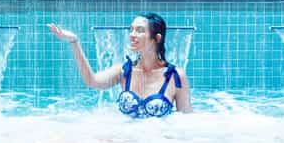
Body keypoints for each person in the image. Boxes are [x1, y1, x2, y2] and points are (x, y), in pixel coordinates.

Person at [48, 12, 192, 117]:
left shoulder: (175, 76)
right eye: (131, 29)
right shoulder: (124, 71)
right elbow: (92, 81)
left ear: (157, 38)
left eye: (140, 30)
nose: (132, 34)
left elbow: (186, 121)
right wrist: (74, 42)